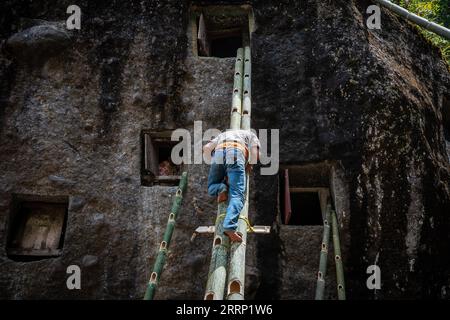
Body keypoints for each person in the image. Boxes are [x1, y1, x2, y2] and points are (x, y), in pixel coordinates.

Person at [203, 129, 261, 242]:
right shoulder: (251, 135)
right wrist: (250, 164)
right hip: (236, 153)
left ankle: (221, 188)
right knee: (237, 195)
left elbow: (206, 148)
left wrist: (215, 163)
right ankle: (230, 226)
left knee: (212, 186)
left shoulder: (222, 135)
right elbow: (255, 154)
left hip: (218, 154)